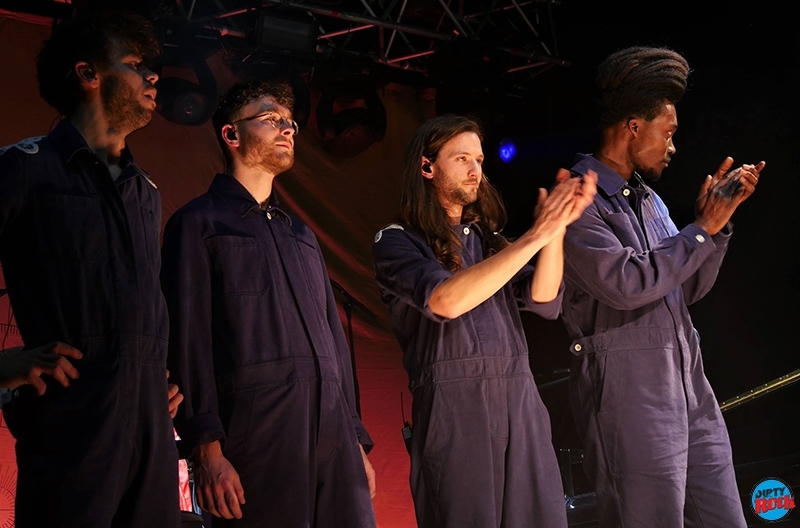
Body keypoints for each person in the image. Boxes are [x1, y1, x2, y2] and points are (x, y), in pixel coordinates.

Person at [561, 46, 763, 527]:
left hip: (688, 382)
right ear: (633, 126)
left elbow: (683, 288)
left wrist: (715, 228)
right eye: (667, 133)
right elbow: (628, 285)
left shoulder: (648, 199)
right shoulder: (578, 197)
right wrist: (698, 232)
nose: (673, 147)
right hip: (629, 392)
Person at [160, 79, 377, 527]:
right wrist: (206, 446)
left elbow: (335, 342)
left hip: (332, 431)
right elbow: (188, 339)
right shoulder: (197, 224)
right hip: (258, 431)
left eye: (290, 122)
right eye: (271, 118)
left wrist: (354, 439)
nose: (287, 129)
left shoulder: (302, 236)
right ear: (231, 135)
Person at [0, 8, 181, 528]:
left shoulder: (145, 191)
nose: (152, 76)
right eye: (133, 63)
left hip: (150, 432)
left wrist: (156, 374)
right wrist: (3, 364)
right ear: (87, 74)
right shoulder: (24, 167)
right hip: (71, 425)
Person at [372, 114, 596, 527]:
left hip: (519, 397)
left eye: (478, 159)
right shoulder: (397, 239)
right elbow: (446, 300)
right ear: (427, 167)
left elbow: (545, 301)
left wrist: (555, 230)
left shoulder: (489, 241)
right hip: (456, 408)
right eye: (461, 158)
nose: (476, 170)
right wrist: (534, 237)